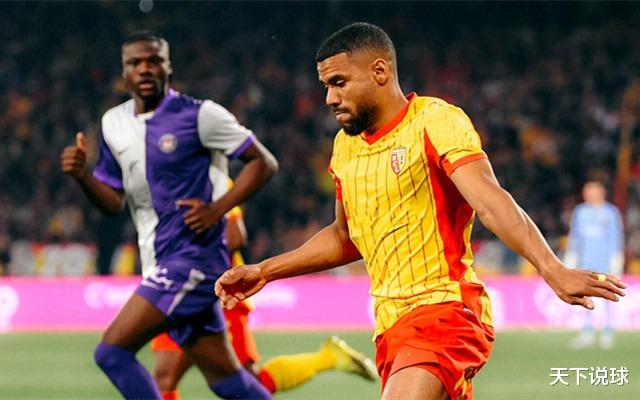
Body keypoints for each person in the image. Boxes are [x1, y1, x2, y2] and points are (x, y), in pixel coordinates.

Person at [215, 22, 627, 400]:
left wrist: (551, 267)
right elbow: (345, 237)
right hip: (390, 328)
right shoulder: (345, 147)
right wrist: (265, 271)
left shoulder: (435, 120)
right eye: (326, 86)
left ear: (380, 71)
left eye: (339, 83)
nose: (330, 98)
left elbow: (489, 200)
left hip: (445, 313)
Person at [60, 31, 277, 399]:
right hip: (159, 261)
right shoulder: (113, 123)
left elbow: (263, 162)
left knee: (111, 352)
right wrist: (83, 176)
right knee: (228, 380)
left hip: (192, 260)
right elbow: (113, 203)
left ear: (168, 67)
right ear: (124, 73)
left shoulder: (201, 115)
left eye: (154, 61)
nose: (145, 69)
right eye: (135, 63)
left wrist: (217, 209)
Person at [152, 183, 377, 400]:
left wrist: (188, 242)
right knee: (244, 382)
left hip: (214, 295)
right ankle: (326, 358)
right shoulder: (165, 182)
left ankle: (326, 358)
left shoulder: (210, 180)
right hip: (180, 288)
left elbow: (235, 235)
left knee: (169, 377)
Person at [565, 181, 624, 350]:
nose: (587, 195)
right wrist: (571, 255)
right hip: (585, 262)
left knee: (608, 295)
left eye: (590, 191)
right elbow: (575, 236)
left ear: (600, 192)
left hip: (604, 262)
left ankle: (608, 331)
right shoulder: (580, 212)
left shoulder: (611, 212)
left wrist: (616, 258)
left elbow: (616, 236)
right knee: (585, 296)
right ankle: (587, 332)